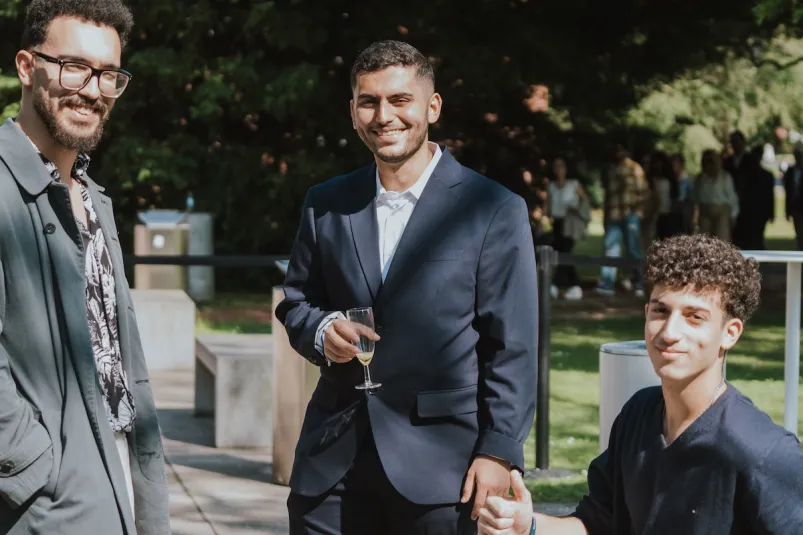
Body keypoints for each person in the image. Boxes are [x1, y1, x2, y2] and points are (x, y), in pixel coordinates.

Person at [276, 40, 539, 534]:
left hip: (444, 469)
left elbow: (514, 344)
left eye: (400, 100)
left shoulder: (493, 209)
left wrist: (499, 450)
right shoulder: (325, 202)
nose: (384, 116)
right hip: (330, 466)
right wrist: (322, 329)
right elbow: (296, 303)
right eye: (369, 102)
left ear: (432, 107)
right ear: (353, 113)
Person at [478, 234, 803, 535]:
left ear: (730, 333)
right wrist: (529, 526)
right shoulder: (637, 414)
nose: (669, 332)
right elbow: (596, 523)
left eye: (695, 316)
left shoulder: (764, 452)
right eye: (661, 311)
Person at [0, 1, 170, 533]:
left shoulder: (93, 197)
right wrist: (32, 468)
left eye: (108, 74)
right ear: (27, 66)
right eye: (74, 67)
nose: (93, 90)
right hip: (43, 496)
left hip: (118, 473)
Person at [595, 142, 650, 297]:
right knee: (611, 249)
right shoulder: (611, 170)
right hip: (614, 214)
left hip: (630, 214)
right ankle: (607, 283)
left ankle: (639, 283)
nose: (618, 152)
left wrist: (637, 210)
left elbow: (644, 192)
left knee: (634, 249)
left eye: (620, 149)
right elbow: (608, 195)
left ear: (626, 151)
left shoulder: (635, 168)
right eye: (616, 149)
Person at [547, 157, 588, 301]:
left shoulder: (574, 184)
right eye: (556, 166)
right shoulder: (551, 186)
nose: (559, 169)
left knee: (565, 251)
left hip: (570, 222)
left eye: (561, 166)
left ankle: (556, 284)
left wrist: (577, 209)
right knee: (563, 253)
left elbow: (585, 201)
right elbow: (548, 207)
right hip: (557, 223)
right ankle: (574, 286)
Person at [693, 149, 739, 241]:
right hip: (705, 213)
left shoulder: (725, 177)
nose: (708, 165)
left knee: (722, 240)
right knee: (704, 241)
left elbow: (732, 198)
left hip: (722, 214)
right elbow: (696, 197)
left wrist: (733, 216)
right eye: (705, 162)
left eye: (711, 162)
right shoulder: (700, 178)